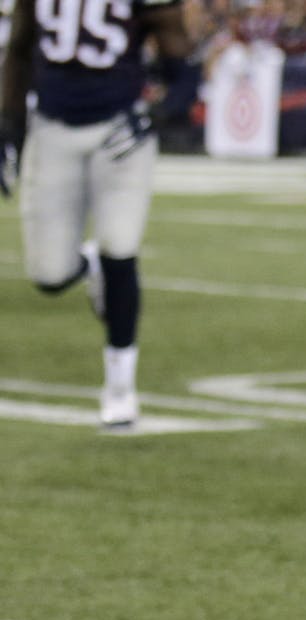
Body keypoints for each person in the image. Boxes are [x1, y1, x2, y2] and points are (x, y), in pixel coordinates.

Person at [0, 0, 200, 428]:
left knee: (120, 247)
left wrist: (161, 112)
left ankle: (120, 390)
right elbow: (19, 50)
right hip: (51, 127)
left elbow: (180, 57)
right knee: (49, 275)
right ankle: (88, 266)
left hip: (119, 129)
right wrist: (9, 127)